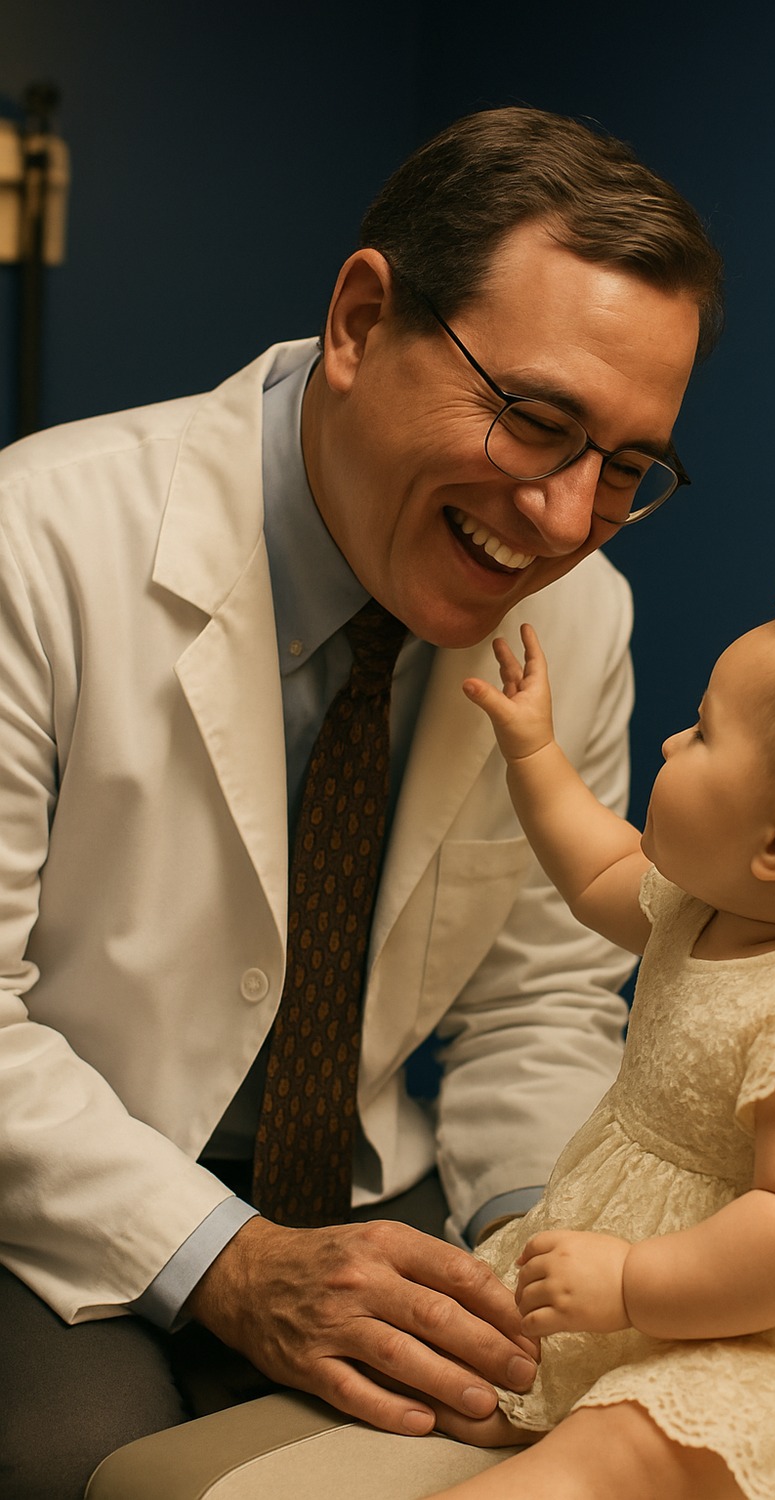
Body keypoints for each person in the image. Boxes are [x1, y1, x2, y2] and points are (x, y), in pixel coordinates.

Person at [0, 107, 724, 1498]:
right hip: (66, 1181)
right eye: (535, 417)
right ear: (359, 319)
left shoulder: (583, 618)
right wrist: (226, 1259)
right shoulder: (41, 544)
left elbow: (539, 1002)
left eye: (625, 468)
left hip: (361, 1177)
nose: (567, 523)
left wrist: (537, 1244)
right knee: (88, 1460)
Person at [423, 570, 775, 1499]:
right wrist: (534, 755)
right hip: (692, 1262)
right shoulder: (710, 907)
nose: (668, 738)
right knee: (482, 1341)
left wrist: (633, 1283)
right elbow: (600, 864)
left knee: (634, 1441)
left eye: (700, 731)